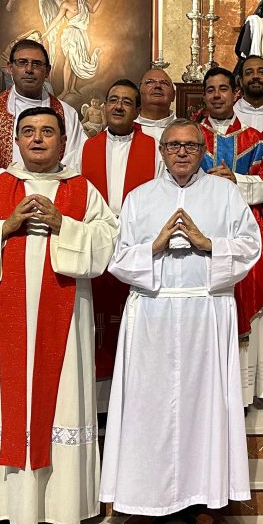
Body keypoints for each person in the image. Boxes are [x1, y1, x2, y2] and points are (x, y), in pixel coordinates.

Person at [0, 106, 117, 524]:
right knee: (1, 404)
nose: (37, 139)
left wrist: (65, 224)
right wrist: (6, 226)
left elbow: (110, 243)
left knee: (62, 401)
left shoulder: (83, 190)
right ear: (16, 142)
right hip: (2, 320)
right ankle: (0, 512)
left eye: (47, 132)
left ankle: (64, 510)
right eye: (28, 132)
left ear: (63, 141)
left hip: (65, 317)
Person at [101, 119, 262, 524]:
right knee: (147, 410)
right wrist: (154, 246)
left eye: (191, 145)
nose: (182, 152)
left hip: (206, 311)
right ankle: (144, 503)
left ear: (203, 149)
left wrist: (207, 243)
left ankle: (205, 501)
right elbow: (116, 258)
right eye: (173, 145)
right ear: (162, 151)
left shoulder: (225, 193)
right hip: (153, 312)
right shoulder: (140, 198)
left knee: (205, 407)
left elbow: (251, 246)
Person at [198, 68, 263, 407]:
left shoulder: (255, 139)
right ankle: (208, 391)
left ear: (235, 94)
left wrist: (235, 181)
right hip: (200, 234)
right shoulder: (190, 137)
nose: (217, 95)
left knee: (247, 303)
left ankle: (244, 394)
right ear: (204, 96)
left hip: (247, 230)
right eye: (210, 90)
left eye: (223, 89)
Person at [80, 80, 163, 379]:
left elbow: (161, 196)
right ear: (103, 106)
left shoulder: (154, 149)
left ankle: (136, 384)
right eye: (113, 100)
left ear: (137, 110)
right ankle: (99, 400)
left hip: (137, 244)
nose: (118, 106)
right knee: (97, 322)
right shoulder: (87, 147)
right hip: (97, 244)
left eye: (127, 102)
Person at [0, 40, 85, 191]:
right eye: (22, 62)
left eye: (36, 64)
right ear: (10, 68)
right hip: (2, 200)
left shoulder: (67, 114)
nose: (29, 69)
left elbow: (75, 162)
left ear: (47, 71)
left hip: (53, 198)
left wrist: (43, 188)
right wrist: (22, 189)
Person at [233, 55, 263, 132]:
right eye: (249, 73)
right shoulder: (230, 114)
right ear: (240, 81)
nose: (255, 76)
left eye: (261, 72)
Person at [135, 68, 176, 140]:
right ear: (139, 91)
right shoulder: (125, 129)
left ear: (173, 95)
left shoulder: (187, 130)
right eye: (150, 82)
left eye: (164, 83)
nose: (157, 86)